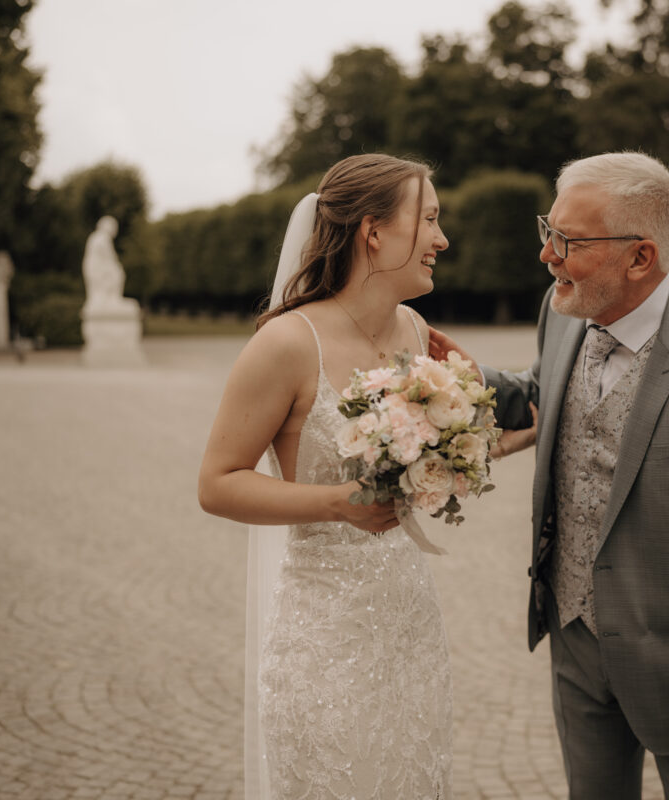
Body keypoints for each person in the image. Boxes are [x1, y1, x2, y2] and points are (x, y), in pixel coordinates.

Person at [431, 151, 669, 799]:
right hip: (574, 637)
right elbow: (547, 393)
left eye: (567, 241)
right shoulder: (563, 308)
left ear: (640, 258)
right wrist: (460, 381)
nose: (547, 255)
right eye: (549, 230)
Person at [198, 154, 452, 799]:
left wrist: (479, 436)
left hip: (411, 626)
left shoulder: (418, 334)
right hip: (326, 630)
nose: (441, 240)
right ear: (374, 232)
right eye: (428, 220)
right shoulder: (287, 343)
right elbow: (218, 482)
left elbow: (433, 454)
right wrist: (337, 503)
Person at [81, 216, 139, 313]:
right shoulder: (102, 237)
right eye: (114, 227)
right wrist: (117, 267)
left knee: (116, 273)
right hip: (99, 270)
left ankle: (111, 299)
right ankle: (112, 300)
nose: (115, 230)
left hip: (96, 268)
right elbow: (109, 256)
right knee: (118, 274)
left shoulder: (95, 237)